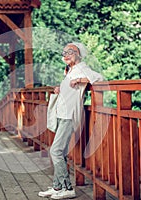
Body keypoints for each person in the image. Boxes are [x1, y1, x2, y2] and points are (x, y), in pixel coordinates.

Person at [38, 42, 103, 199]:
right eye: (64, 52)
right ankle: (57, 186)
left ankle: (67, 188)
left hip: (69, 115)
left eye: (71, 52)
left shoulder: (81, 68)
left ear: (79, 54)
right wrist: (59, 89)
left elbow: (99, 77)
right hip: (62, 113)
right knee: (61, 151)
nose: (66, 54)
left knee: (56, 150)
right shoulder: (69, 70)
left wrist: (81, 79)